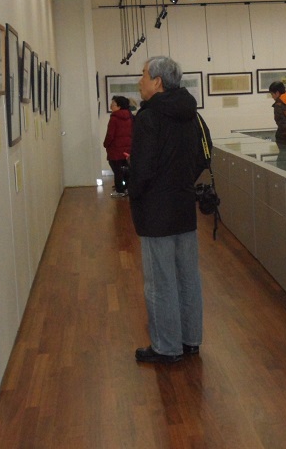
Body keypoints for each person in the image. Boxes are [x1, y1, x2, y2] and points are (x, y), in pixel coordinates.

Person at [128, 56, 205, 363]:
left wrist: (135, 191)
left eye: (144, 75)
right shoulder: (189, 113)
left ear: (158, 82)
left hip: (156, 211)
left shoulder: (148, 117)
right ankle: (190, 340)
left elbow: (142, 169)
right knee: (188, 278)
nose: (140, 81)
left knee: (160, 281)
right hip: (184, 205)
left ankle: (166, 347)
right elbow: (200, 157)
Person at [104, 95, 134, 198]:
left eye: (113, 104)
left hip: (115, 150)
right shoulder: (130, 117)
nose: (111, 106)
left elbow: (110, 135)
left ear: (119, 106)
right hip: (128, 149)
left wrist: (105, 144)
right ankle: (127, 188)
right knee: (126, 170)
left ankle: (120, 190)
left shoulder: (114, 118)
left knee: (117, 171)